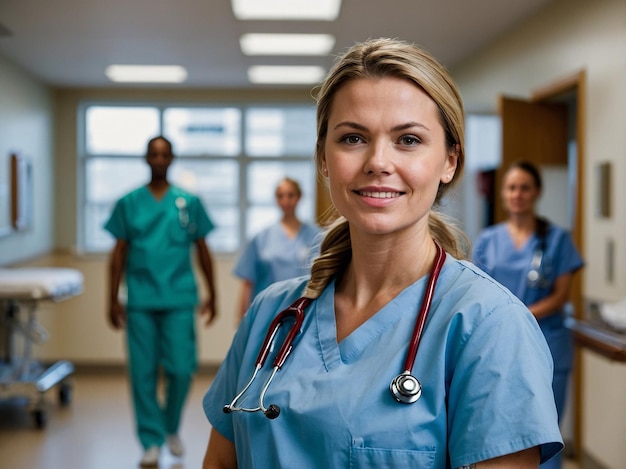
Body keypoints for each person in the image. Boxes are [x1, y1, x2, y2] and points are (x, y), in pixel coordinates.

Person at [202, 38, 564, 468]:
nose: (378, 161)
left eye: (408, 139)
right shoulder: (270, 314)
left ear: (450, 161)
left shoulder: (490, 326)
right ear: (323, 158)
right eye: (353, 137)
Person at [105, 136, 218, 467]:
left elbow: (202, 248)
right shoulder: (129, 202)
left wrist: (214, 293)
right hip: (140, 299)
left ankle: (170, 428)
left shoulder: (188, 202)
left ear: (172, 159)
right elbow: (118, 253)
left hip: (179, 297)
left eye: (164, 154)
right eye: (153, 154)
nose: (158, 159)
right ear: (146, 158)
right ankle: (150, 439)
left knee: (182, 369)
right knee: (142, 373)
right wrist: (111, 298)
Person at [473, 160, 584, 469]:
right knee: (503, 430)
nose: (517, 194)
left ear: (536, 192)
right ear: (503, 194)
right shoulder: (489, 240)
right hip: (502, 346)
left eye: (524, 187)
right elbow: (478, 292)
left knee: (545, 432)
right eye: (511, 187)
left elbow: (561, 295)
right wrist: (510, 319)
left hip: (549, 343)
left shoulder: (557, 239)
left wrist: (519, 314)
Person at [233, 177, 321, 321]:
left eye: (291, 195)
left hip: (305, 311)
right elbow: (248, 283)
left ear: (299, 197)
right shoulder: (261, 238)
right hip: (268, 312)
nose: (286, 201)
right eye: (281, 196)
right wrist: (242, 321)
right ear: (276, 199)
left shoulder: (316, 237)